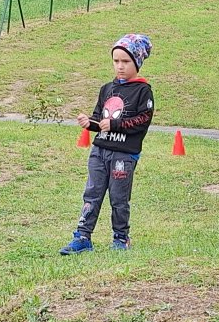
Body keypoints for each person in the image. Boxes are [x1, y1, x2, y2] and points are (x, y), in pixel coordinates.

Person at [60, 34, 155, 254]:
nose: (120, 66)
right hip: (99, 152)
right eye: (116, 61)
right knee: (92, 193)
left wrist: (115, 124)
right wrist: (89, 123)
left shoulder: (143, 91)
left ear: (137, 62)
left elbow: (143, 120)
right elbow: (99, 118)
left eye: (126, 61)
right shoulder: (106, 89)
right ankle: (82, 237)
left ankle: (121, 238)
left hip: (124, 155)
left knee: (119, 198)